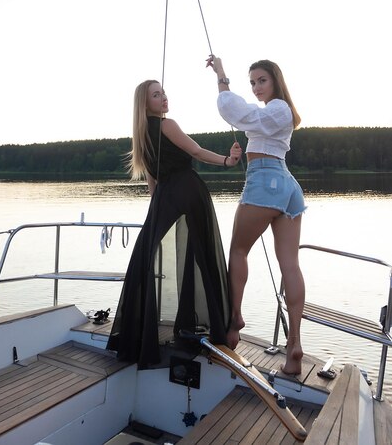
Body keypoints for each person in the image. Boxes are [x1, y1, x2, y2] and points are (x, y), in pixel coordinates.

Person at [106, 79, 242, 368]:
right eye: (157, 95)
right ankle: (214, 326)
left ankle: (141, 334)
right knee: (200, 255)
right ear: (145, 104)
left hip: (170, 195)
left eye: (163, 93)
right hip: (187, 191)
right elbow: (195, 152)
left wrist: (155, 208)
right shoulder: (166, 126)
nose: (164, 98)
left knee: (148, 257)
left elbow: (152, 181)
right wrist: (227, 162)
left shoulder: (140, 136)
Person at [207, 56, 306, 375]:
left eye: (261, 80)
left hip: (266, 180)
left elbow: (235, 111)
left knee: (238, 250)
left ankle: (234, 322)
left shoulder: (278, 109)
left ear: (276, 81)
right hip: (286, 186)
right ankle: (294, 345)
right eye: (252, 82)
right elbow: (250, 121)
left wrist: (222, 77)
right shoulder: (275, 114)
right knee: (290, 264)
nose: (256, 87)